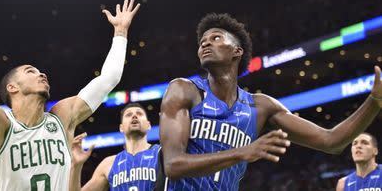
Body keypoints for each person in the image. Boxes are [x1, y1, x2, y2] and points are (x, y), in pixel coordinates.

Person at [0, 0, 140, 191]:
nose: (41, 73)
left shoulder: (63, 117)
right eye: (30, 71)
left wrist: (120, 32)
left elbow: (108, 79)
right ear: (12, 87)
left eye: (40, 71)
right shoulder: (0, 123)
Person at [159, 13, 382, 190]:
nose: (205, 44)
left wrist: (374, 101)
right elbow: (172, 165)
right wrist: (242, 152)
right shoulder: (183, 90)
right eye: (202, 42)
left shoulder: (261, 106)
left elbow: (331, 141)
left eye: (215, 38)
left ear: (237, 50)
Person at [70, 103, 165, 191]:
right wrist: (76, 165)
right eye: (128, 115)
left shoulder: (162, 153)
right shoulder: (109, 163)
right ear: (121, 127)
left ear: (148, 125)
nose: (134, 116)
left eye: (139, 114)